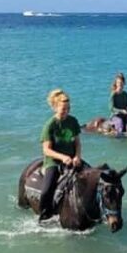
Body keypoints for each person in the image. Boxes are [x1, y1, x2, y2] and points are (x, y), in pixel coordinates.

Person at [38, 89, 83, 222]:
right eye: (63, 109)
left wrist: (77, 156)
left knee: (92, 178)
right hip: (54, 162)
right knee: (46, 190)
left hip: (72, 159)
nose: (66, 111)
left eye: (68, 108)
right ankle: (44, 216)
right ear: (55, 107)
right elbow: (46, 150)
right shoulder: (49, 125)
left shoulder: (73, 121)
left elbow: (77, 143)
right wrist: (62, 157)